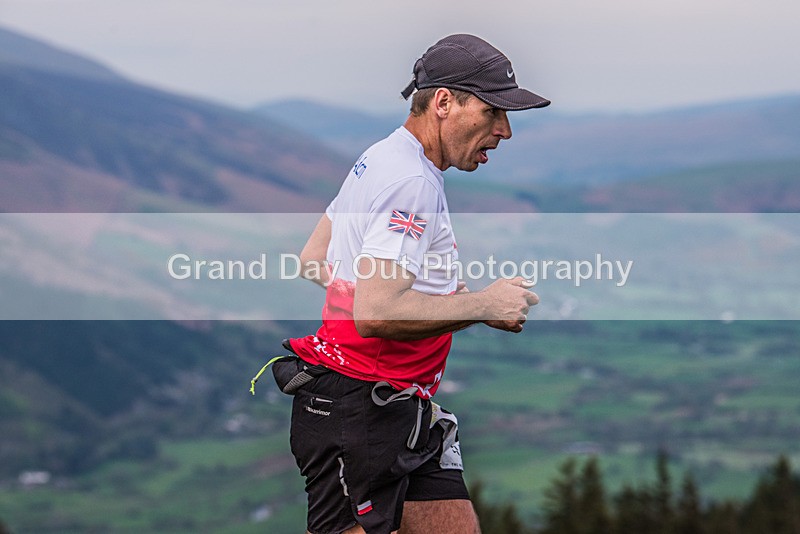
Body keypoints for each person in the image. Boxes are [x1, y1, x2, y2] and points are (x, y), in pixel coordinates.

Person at [283, 34, 549, 534]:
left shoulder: (382, 158)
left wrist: (419, 297)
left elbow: (314, 259)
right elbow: (378, 312)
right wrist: (482, 302)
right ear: (445, 103)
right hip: (361, 409)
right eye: (494, 112)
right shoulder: (411, 180)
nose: (506, 130)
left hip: (392, 402)